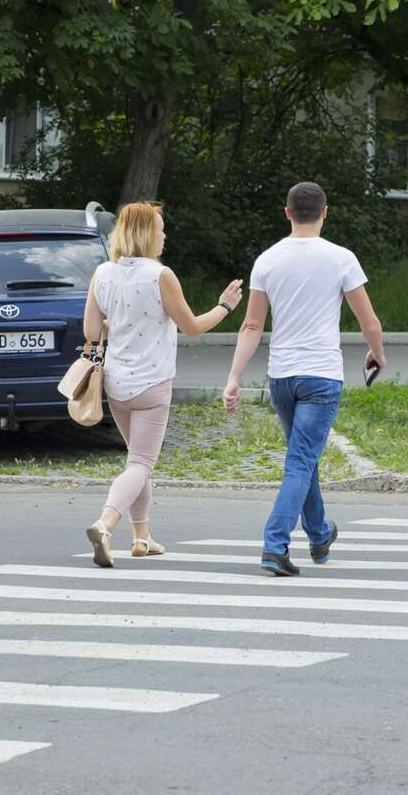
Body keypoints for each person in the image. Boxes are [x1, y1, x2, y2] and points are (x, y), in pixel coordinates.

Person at [223, 181, 387, 577]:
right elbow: (369, 321)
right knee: (300, 461)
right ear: (325, 213)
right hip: (321, 376)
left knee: (304, 458)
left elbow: (251, 325)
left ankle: (318, 534)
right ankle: (274, 545)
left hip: (282, 377)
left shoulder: (267, 259)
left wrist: (234, 377)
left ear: (287, 213)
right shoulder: (341, 258)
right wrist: (377, 356)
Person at [81, 202, 244, 569]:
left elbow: (92, 331)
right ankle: (105, 524)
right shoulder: (160, 275)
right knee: (141, 461)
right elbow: (192, 327)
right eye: (160, 227)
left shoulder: (102, 274)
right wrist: (225, 306)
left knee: (137, 461)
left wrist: (120, 324)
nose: (164, 234)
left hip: (115, 383)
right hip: (152, 382)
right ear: (145, 233)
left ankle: (142, 538)